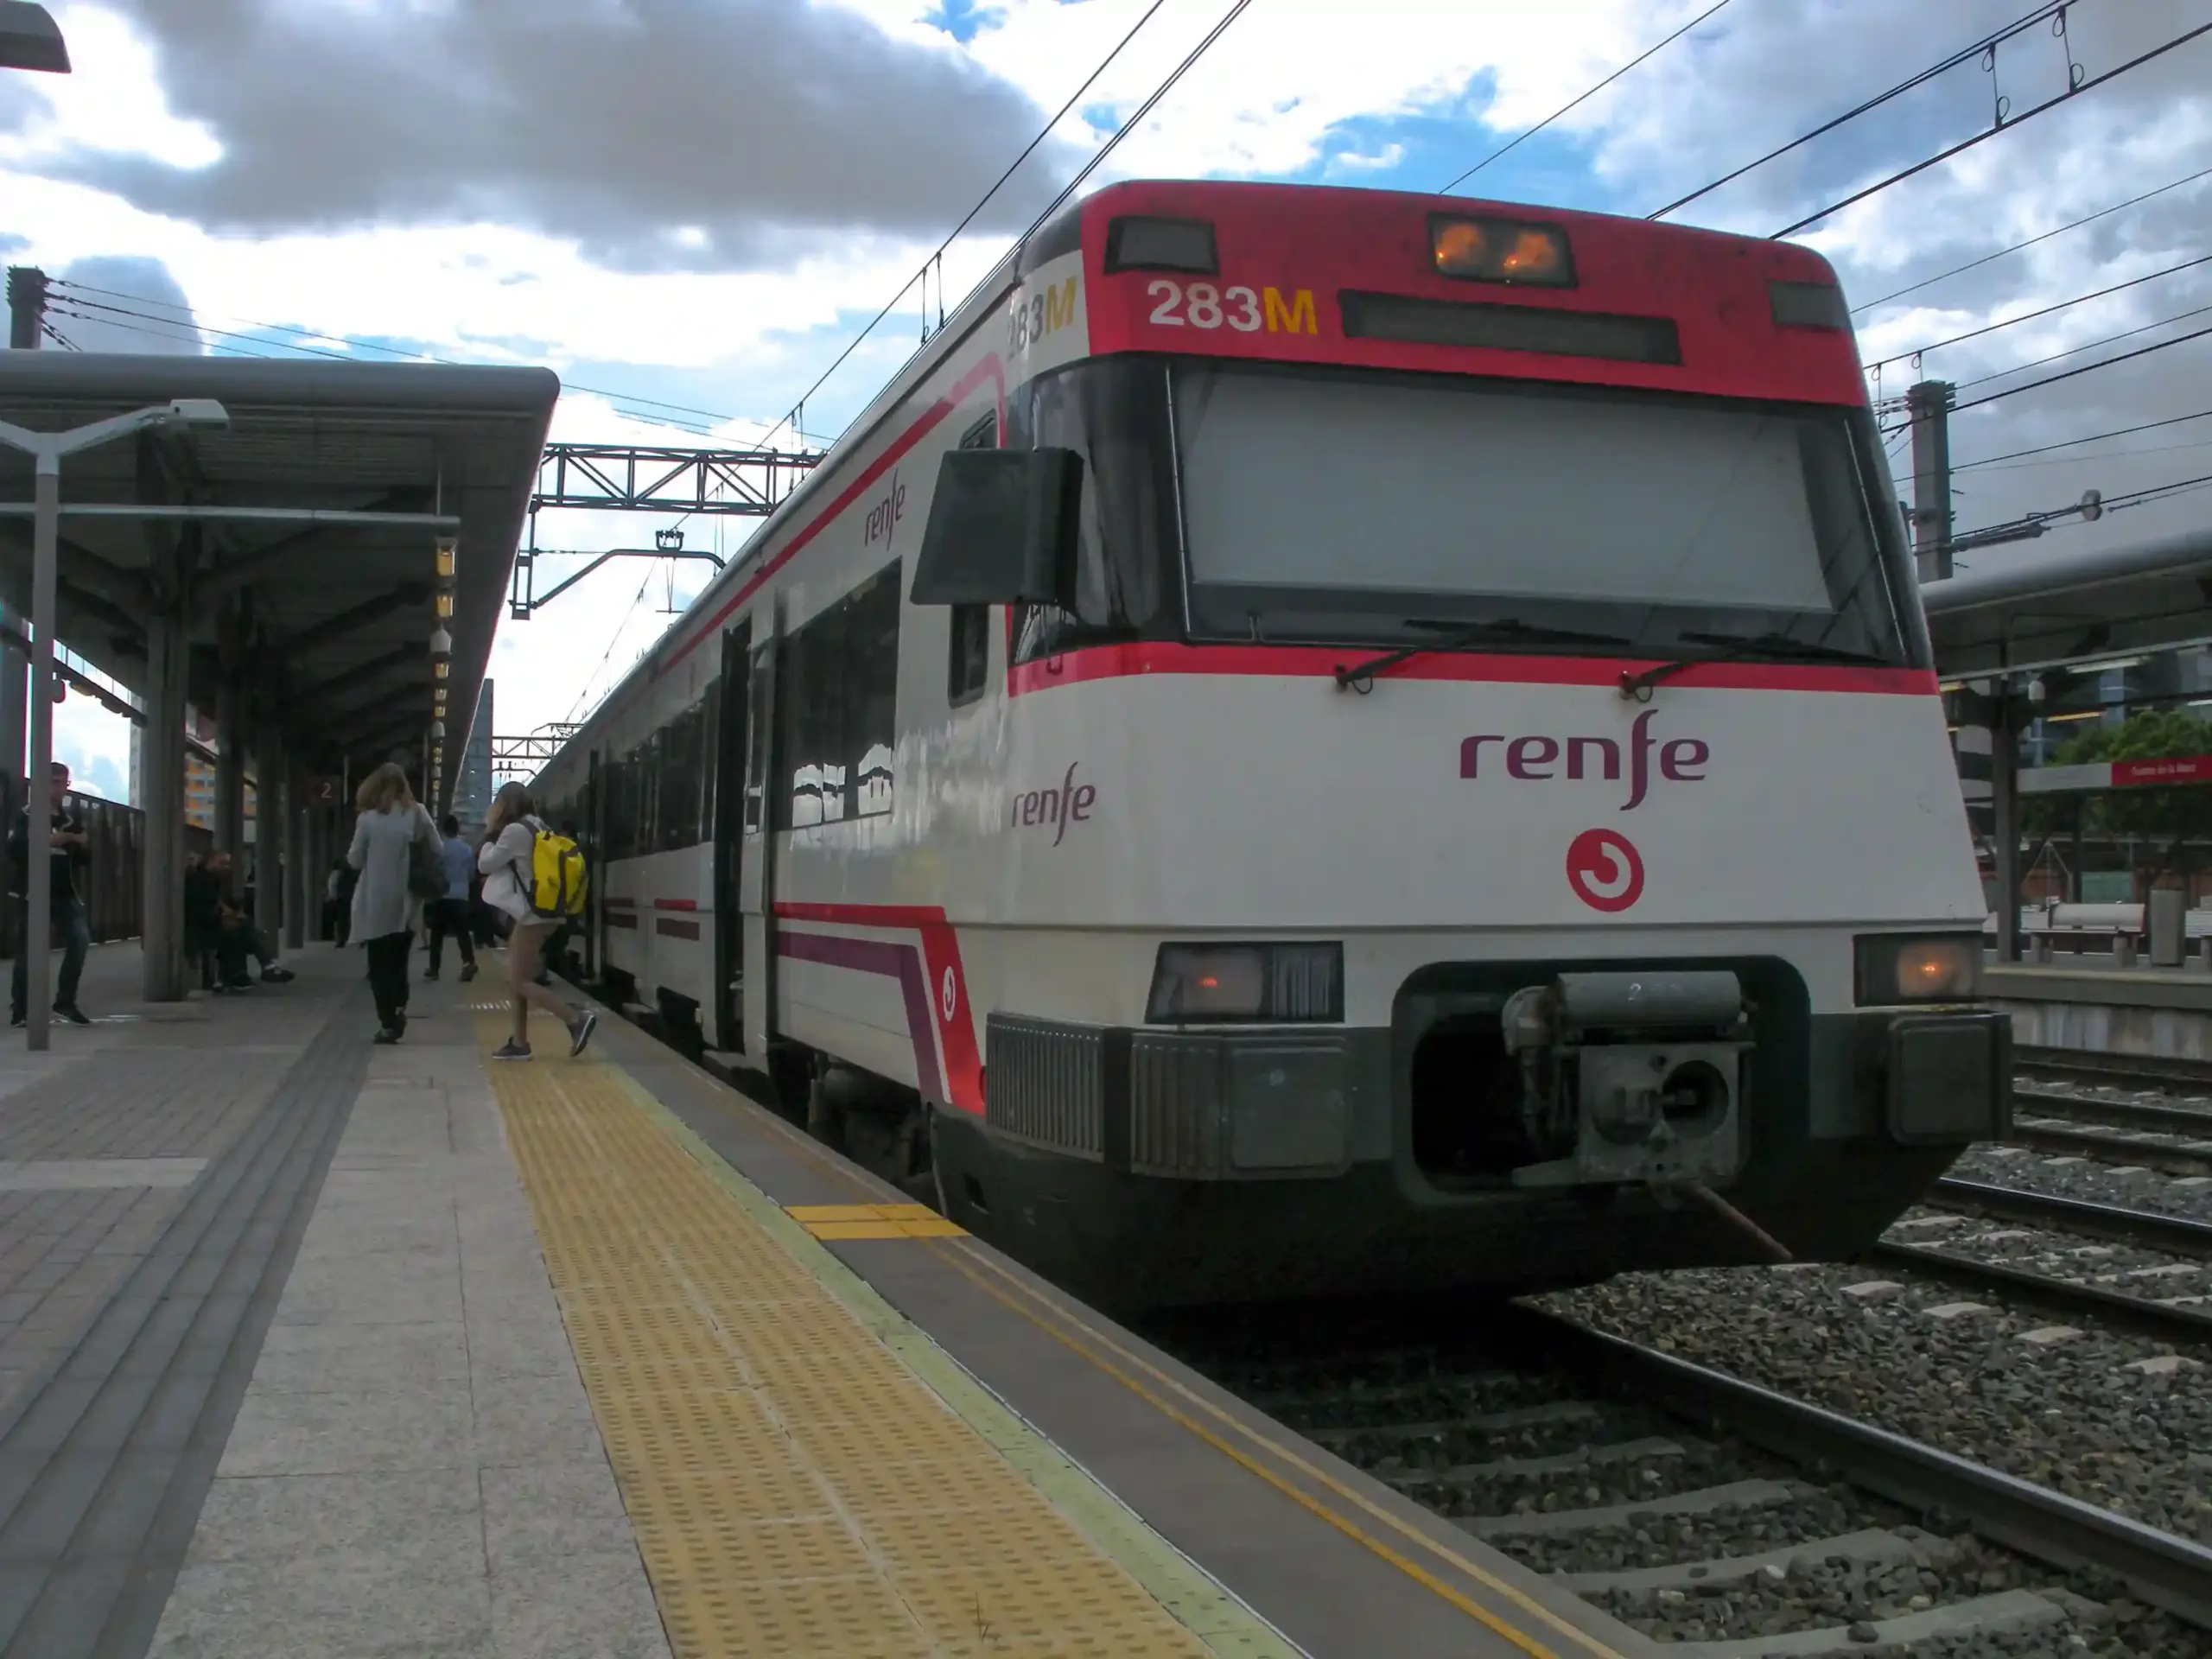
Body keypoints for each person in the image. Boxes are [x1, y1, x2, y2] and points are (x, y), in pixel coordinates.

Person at [478, 782, 595, 1061]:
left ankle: (575, 1018)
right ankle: (519, 1042)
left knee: (517, 979)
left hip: (533, 915)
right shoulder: (539, 826)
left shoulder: (514, 831)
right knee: (519, 977)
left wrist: (488, 841)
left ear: (503, 806)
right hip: (545, 911)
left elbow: (485, 865)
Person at [346, 763, 438, 1044]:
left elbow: (355, 860)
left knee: (379, 966)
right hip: (407, 901)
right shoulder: (417, 813)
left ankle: (388, 1022)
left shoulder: (367, 819)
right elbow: (437, 848)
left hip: (375, 901)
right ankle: (399, 1006)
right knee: (399, 961)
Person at [10, 760, 92, 1027]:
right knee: (28, 951)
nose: (60, 789)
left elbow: (84, 859)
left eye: (64, 783)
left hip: (64, 892)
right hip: (33, 892)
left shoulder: (69, 820)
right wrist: (48, 842)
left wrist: (79, 843)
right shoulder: (26, 815)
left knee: (80, 940)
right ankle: (21, 1008)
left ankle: (65, 1001)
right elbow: (14, 850)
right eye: (55, 783)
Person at [187, 850, 294, 991]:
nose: (226, 867)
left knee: (244, 930)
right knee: (243, 932)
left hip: (210, 924)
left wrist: (230, 914)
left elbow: (219, 903)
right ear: (210, 861)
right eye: (222, 863)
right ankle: (260, 968)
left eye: (227, 863)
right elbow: (200, 911)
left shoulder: (213, 880)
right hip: (200, 929)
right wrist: (224, 916)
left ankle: (244, 974)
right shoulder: (199, 881)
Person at [424, 814, 478, 982]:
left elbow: (433, 870)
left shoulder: (439, 848)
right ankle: (469, 962)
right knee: (463, 933)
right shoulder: (467, 849)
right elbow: (471, 874)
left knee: (437, 934)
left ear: (443, 829)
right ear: (457, 829)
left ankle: (434, 969)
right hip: (461, 896)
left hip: (442, 896)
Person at [323, 857, 356, 946]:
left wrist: (330, 898)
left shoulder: (335, 875)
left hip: (339, 899)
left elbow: (332, 888)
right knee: (344, 920)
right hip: (343, 899)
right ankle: (343, 938)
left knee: (340, 920)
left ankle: (341, 939)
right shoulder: (344, 874)